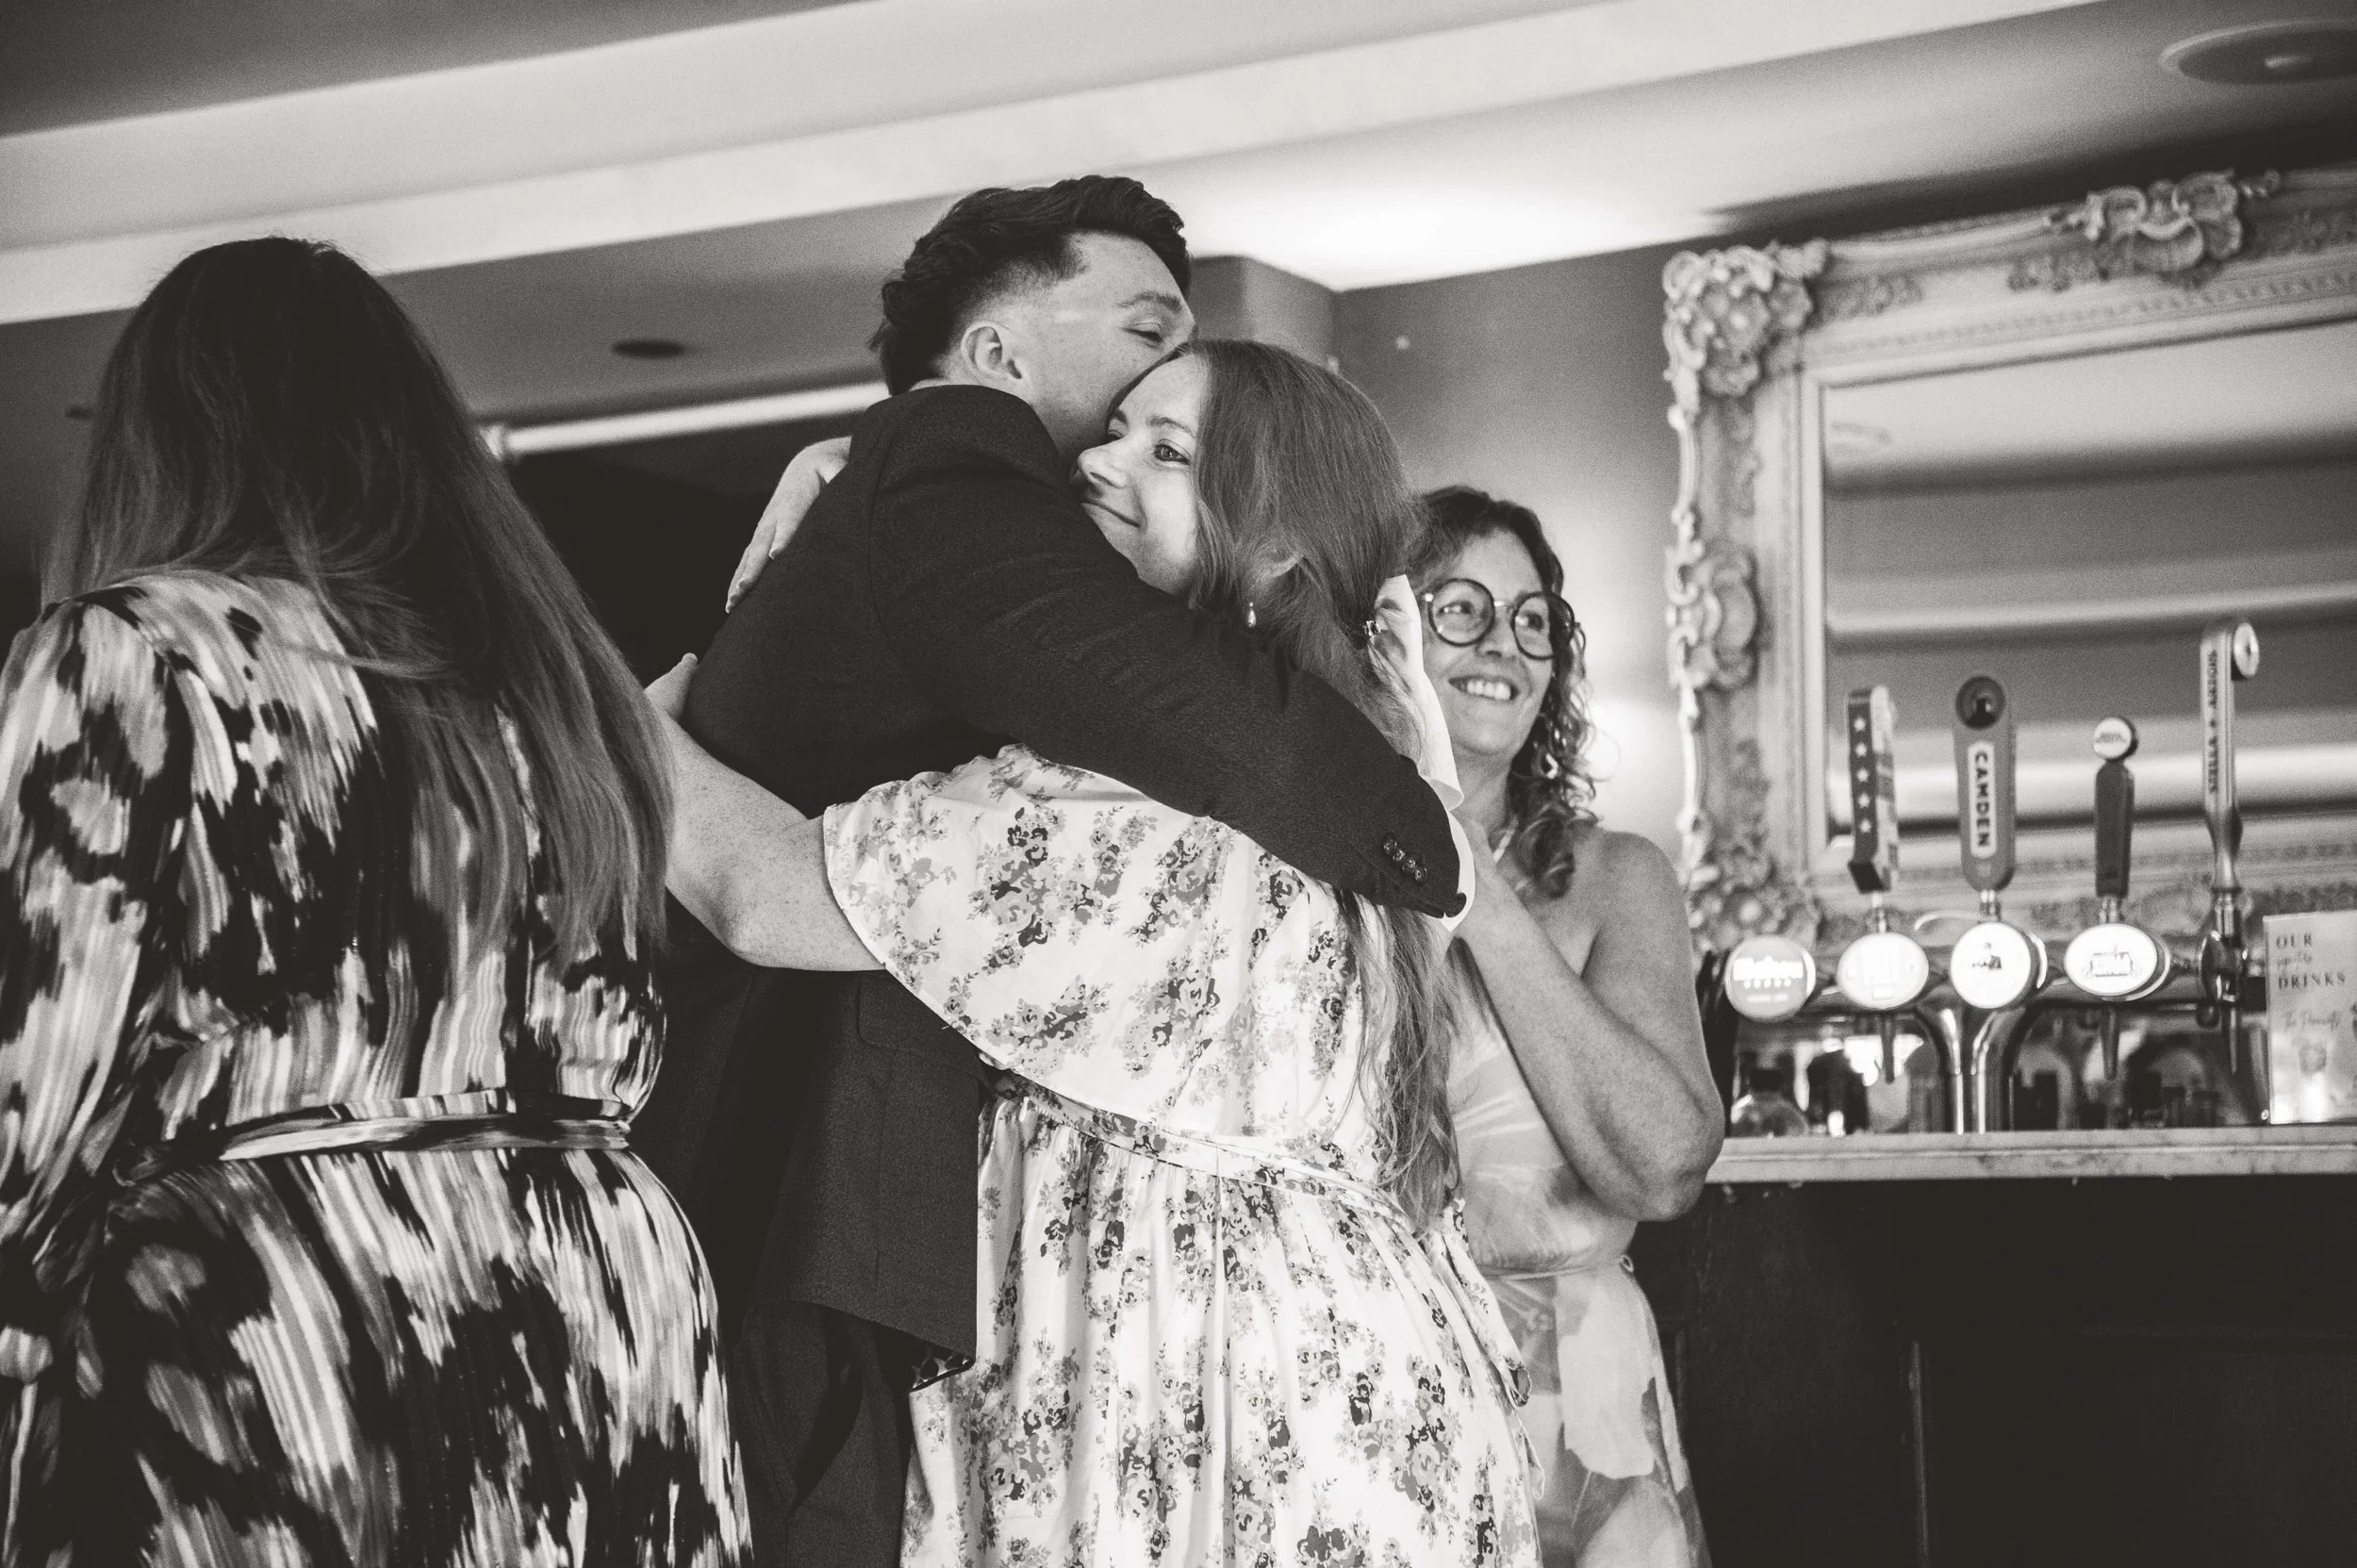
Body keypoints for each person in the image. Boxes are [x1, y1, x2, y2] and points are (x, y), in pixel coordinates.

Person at [630, 177, 1467, 1565]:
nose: (1101, 459)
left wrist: (619, 728)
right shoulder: (1371, 777)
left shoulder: (1118, 799)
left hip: (1158, 1377)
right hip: (1357, 1373)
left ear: (1271, 546)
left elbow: (761, 891)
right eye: (1128, 392)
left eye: (1167, 448)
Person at [0, 238, 748, 1565]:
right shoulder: (558, 690)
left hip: (294, 1303)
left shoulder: (131, 651)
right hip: (600, 1278)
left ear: (156, 436)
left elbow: (25, 1090)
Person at [1417, 486, 1722, 1565]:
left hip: (1580, 1412)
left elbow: (1663, 1169)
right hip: (1367, 1376)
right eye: (1459, 607)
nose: (1505, 641)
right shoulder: (1301, 869)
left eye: (1532, 616)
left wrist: (1467, 872)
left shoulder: (1615, 877)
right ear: (1383, 631)